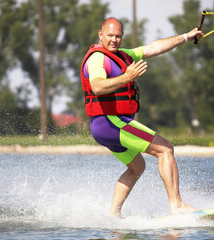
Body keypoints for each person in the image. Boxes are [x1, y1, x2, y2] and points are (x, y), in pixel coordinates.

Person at [80, 17, 203, 218]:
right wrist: (126, 78)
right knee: (165, 149)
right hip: (111, 122)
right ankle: (177, 205)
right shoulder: (97, 59)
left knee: (137, 167)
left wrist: (185, 37)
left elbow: (154, 48)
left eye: (118, 36)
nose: (114, 40)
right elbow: (97, 86)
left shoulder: (124, 55)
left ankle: (113, 215)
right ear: (100, 34)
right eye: (109, 35)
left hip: (104, 126)